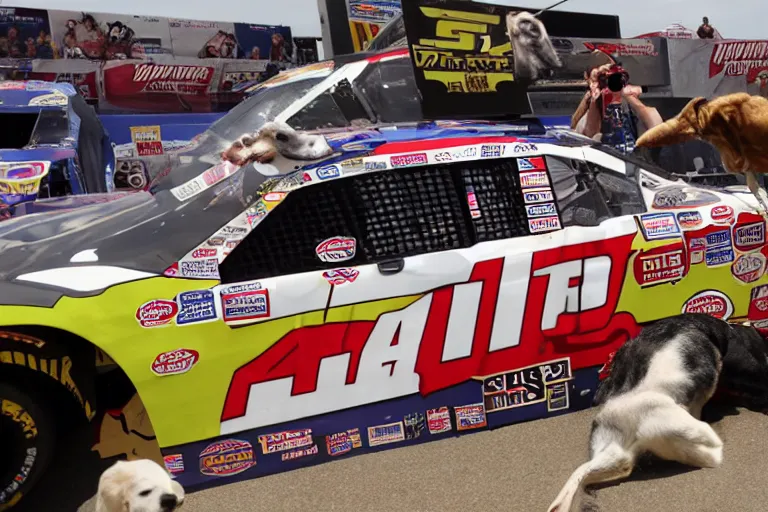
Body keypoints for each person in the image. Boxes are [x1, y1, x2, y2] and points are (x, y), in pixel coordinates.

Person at [571, 63, 663, 154]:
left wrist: (629, 95)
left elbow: (657, 127)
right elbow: (589, 135)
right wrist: (594, 99)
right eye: (604, 80)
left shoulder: (632, 109)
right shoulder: (592, 109)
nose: (609, 86)